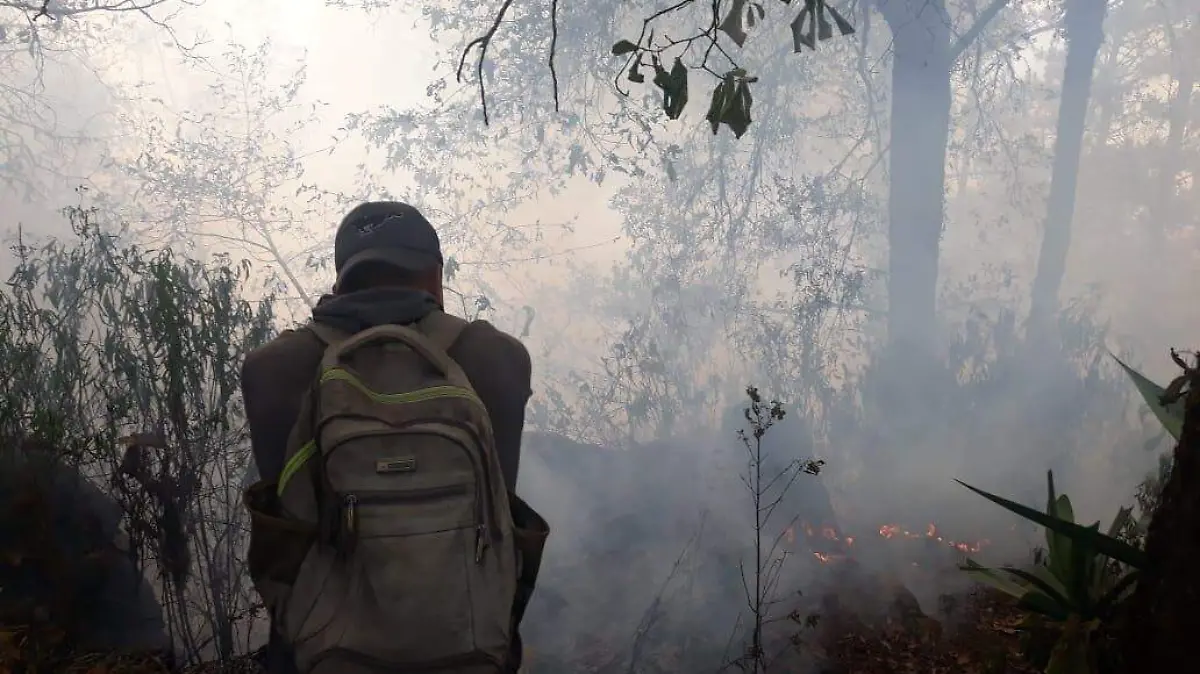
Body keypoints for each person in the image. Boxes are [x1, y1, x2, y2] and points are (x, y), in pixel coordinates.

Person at [241, 201, 536, 673]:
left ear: (342, 280)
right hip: (473, 651)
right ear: (435, 276)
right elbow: (504, 526)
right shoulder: (499, 360)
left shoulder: (270, 372)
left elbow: (286, 545)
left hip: (320, 656)